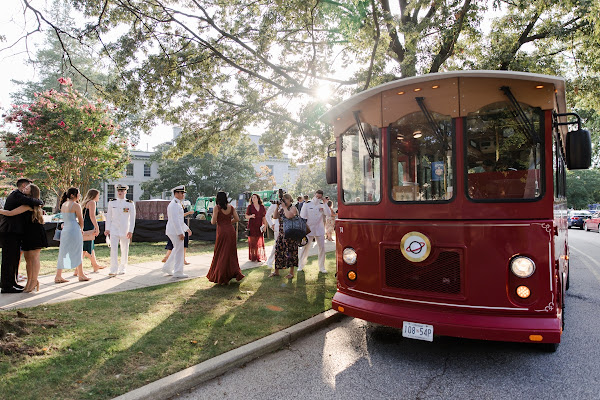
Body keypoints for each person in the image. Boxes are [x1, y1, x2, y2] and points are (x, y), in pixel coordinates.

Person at [0, 184, 47, 292]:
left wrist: (0, 210)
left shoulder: (29, 204)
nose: (23, 189)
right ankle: (30, 281)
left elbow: (10, 213)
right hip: (27, 233)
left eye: (27, 189)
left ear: (31, 193)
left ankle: (33, 281)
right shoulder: (28, 202)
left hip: (34, 233)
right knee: (28, 259)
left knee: (33, 258)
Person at [207, 191, 244, 285]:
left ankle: (221, 276)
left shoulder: (217, 208)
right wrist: (228, 222)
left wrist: (214, 217)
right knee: (230, 253)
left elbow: (213, 222)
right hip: (231, 231)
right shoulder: (231, 207)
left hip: (222, 231)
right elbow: (237, 219)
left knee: (221, 252)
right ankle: (232, 273)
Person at [55, 187, 90, 283]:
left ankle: (58, 275)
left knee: (63, 251)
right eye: (78, 194)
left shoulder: (64, 204)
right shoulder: (76, 205)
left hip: (65, 229)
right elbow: (81, 219)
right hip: (74, 229)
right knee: (78, 250)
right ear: (72, 195)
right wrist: (81, 229)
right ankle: (81, 274)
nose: (79, 196)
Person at [162, 185, 193, 278]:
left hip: (174, 230)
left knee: (177, 249)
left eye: (183, 193)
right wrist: (180, 232)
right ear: (176, 194)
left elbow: (179, 219)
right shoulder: (174, 204)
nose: (183, 195)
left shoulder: (178, 203)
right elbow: (175, 220)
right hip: (175, 231)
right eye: (182, 193)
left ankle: (167, 267)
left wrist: (186, 228)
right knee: (179, 251)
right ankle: (178, 272)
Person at [105, 184, 136, 276]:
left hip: (125, 229)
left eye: (122, 191)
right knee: (113, 249)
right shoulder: (112, 202)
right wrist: (107, 229)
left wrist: (131, 230)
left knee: (124, 248)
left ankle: (123, 267)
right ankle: (113, 268)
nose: (120, 193)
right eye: (119, 191)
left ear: (125, 192)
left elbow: (132, 218)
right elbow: (109, 216)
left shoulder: (130, 203)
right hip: (114, 229)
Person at [299, 189, 331, 273]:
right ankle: (300, 265)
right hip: (309, 229)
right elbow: (302, 216)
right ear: (314, 194)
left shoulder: (322, 204)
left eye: (320, 197)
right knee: (305, 247)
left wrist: (325, 203)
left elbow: (328, 214)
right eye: (317, 196)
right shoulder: (307, 204)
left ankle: (322, 267)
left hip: (319, 229)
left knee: (322, 248)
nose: (318, 198)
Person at [270, 193, 299, 279]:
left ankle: (291, 273)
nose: (284, 201)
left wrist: (285, 207)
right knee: (278, 251)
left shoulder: (293, 208)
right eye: (283, 199)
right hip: (282, 234)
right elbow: (275, 217)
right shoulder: (282, 208)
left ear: (290, 200)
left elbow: (289, 216)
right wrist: (277, 207)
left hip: (291, 235)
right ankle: (276, 271)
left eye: (285, 199)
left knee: (291, 253)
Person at [81, 189, 107, 273]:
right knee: (85, 248)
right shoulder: (92, 202)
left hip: (85, 225)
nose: (99, 197)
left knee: (89, 247)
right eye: (98, 195)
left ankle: (95, 265)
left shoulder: (85, 203)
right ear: (94, 195)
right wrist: (97, 227)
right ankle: (78, 269)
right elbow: (92, 216)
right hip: (89, 226)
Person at [245, 193, 267, 262]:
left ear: (258, 198)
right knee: (253, 242)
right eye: (252, 197)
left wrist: (265, 226)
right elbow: (246, 216)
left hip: (259, 226)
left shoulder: (262, 207)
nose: (253, 198)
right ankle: (253, 256)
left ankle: (258, 256)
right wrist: (251, 216)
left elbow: (264, 217)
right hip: (252, 225)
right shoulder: (250, 207)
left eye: (254, 197)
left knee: (258, 241)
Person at [265, 200, 280, 270]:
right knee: (277, 244)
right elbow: (267, 215)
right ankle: (270, 261)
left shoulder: (287, 203)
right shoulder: (274, 204)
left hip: (286, 227)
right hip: (277, 227)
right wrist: (272, 225)